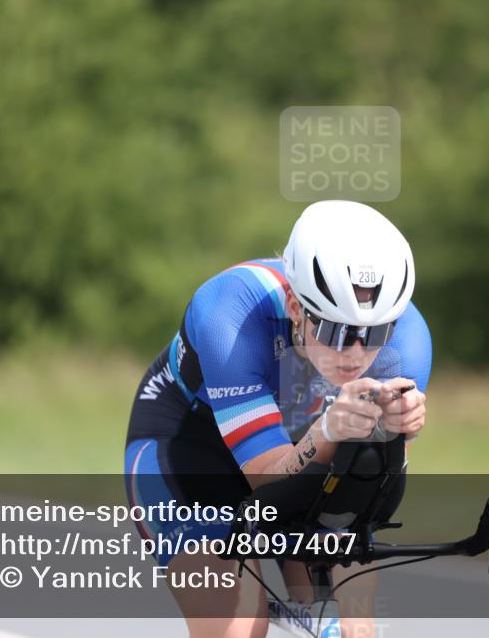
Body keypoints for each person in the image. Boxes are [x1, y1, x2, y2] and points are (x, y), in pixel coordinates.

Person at [124, 200, 432, 638]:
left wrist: (393, 442)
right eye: (335, 330)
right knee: (239, 628)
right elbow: (267, 485)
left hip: (304, 460)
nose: (355, 353)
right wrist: (327, 430)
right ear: (294, 306)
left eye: (375, 334)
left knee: (352, 630)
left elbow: (366, 501)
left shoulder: (409, 344)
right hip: (191, 450)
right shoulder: (229, 315)